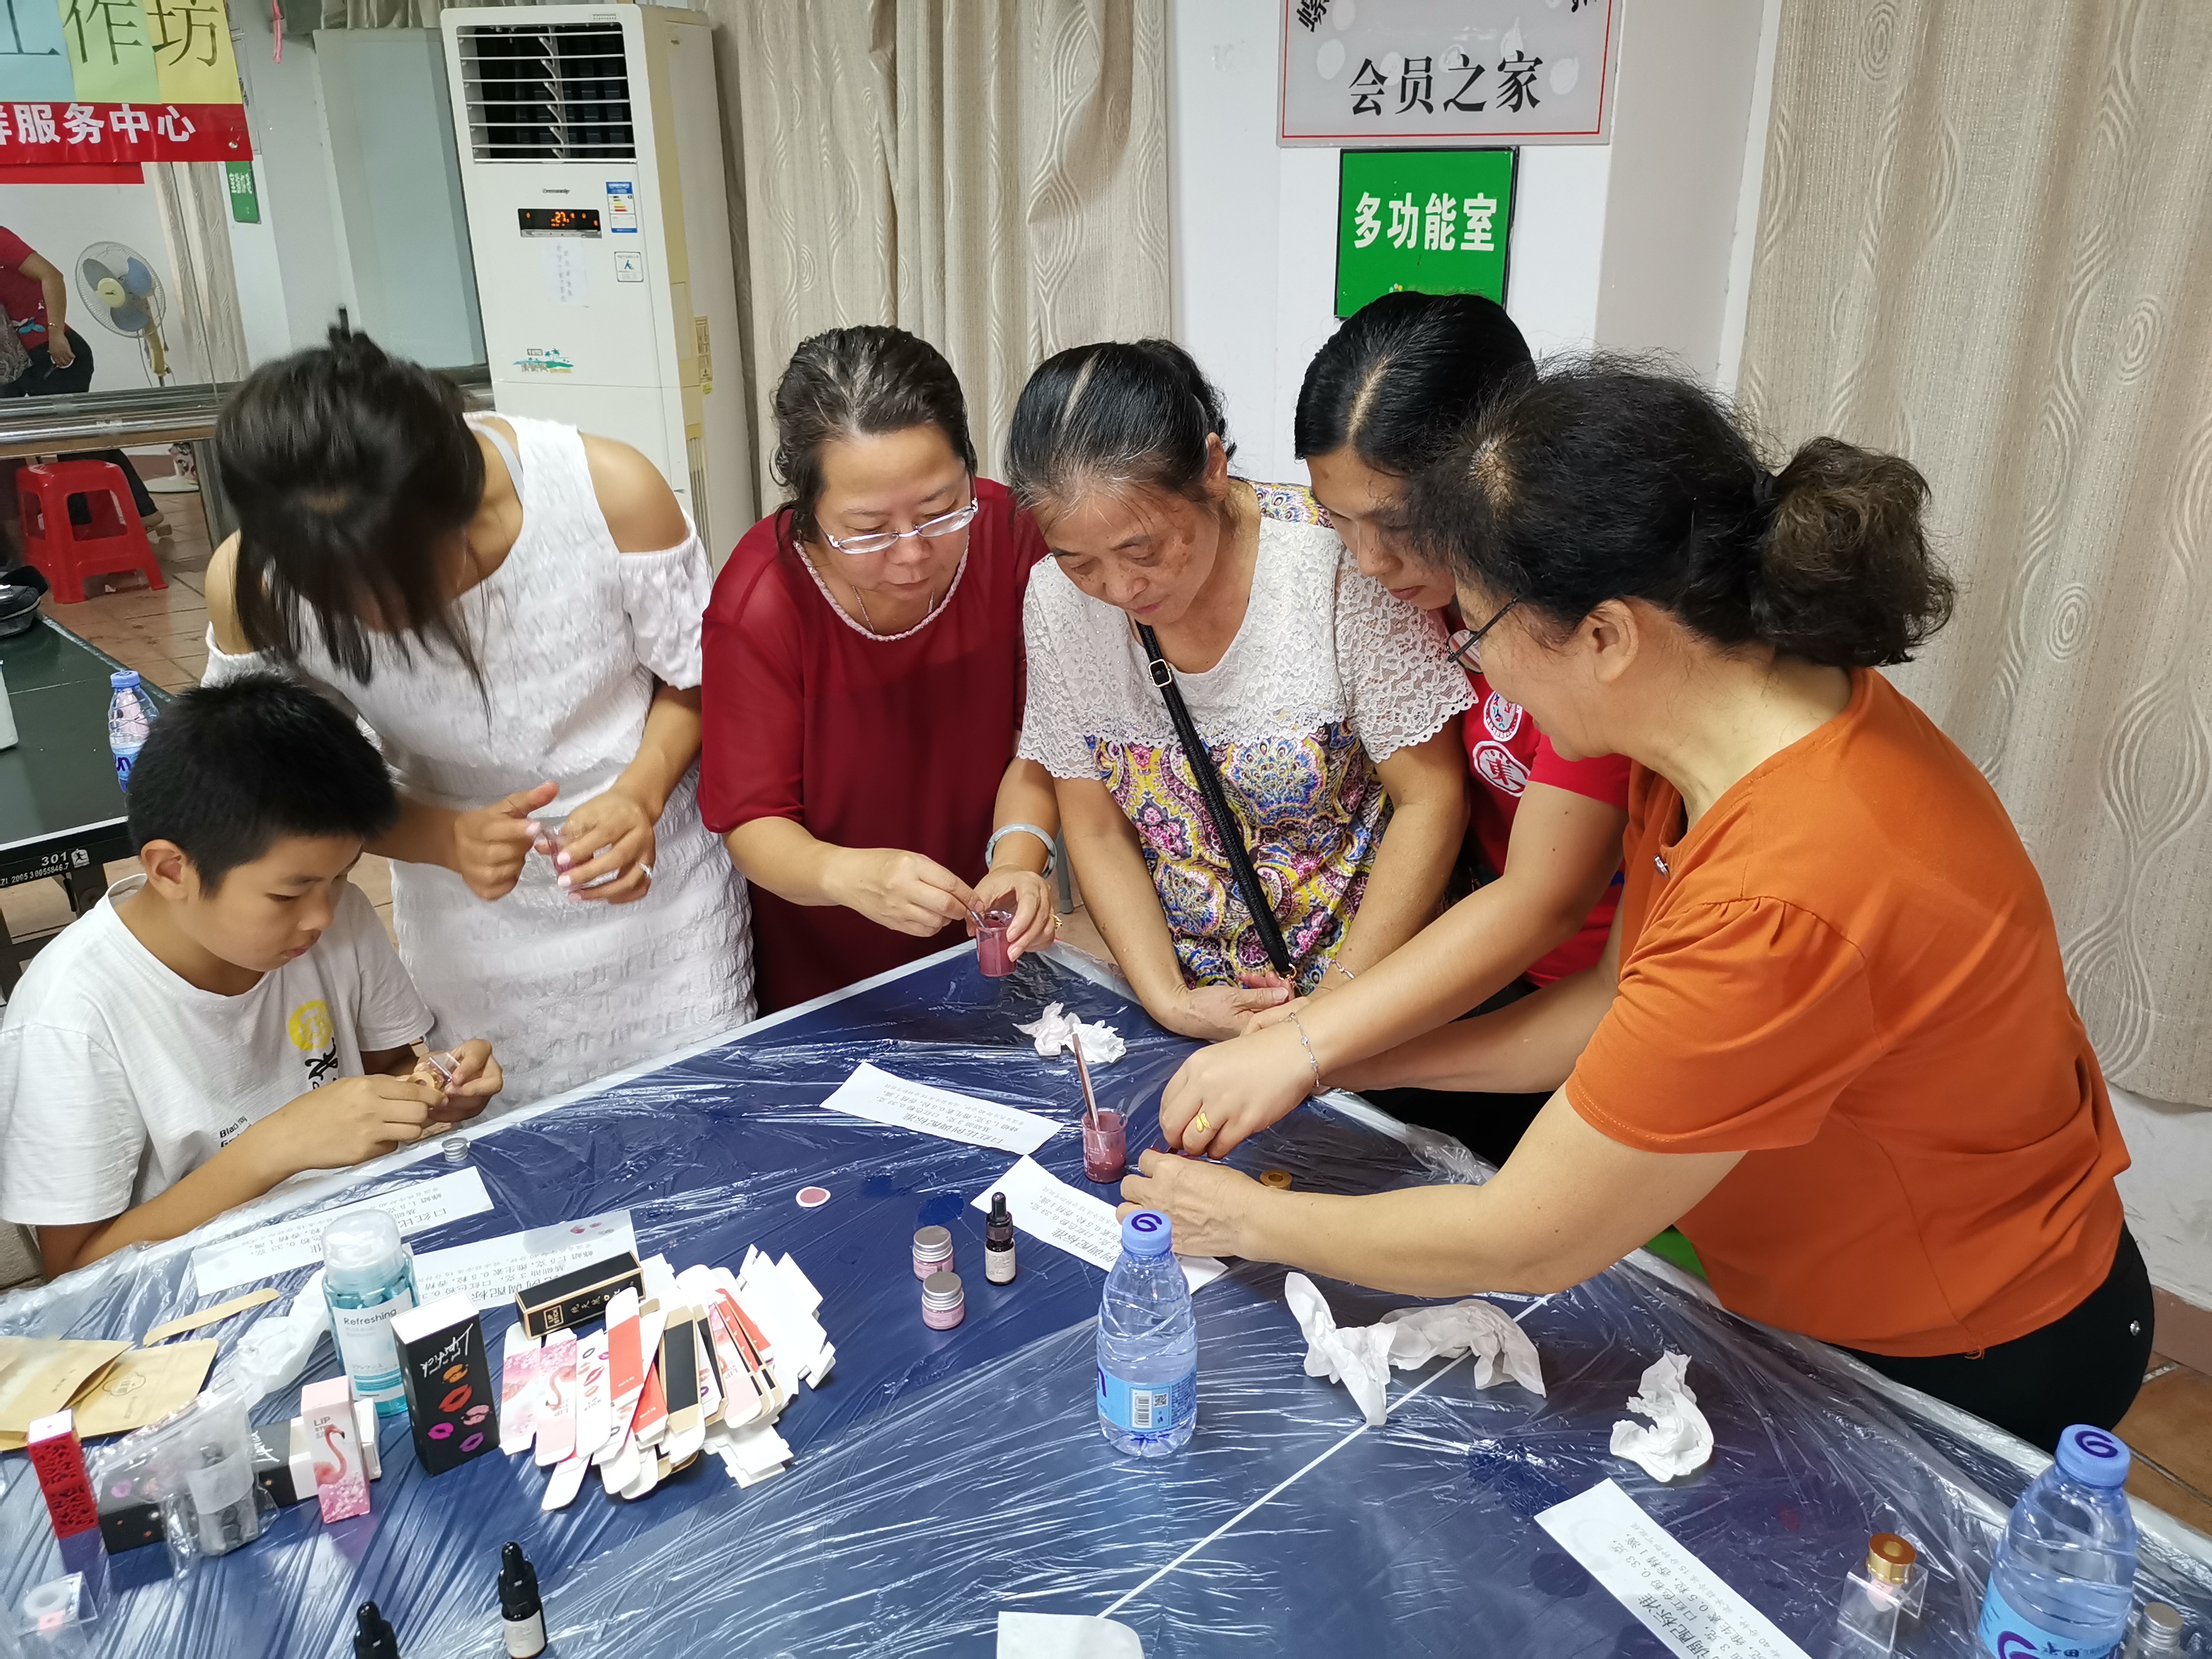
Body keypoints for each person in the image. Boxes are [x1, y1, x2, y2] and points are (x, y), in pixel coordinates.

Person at [1125, 360, 2147, 1452]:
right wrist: (1342, 1063)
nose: (1481, 668)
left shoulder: (1784, 891)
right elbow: (1613, 1002)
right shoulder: (1714, 729)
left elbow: (1529, 1238)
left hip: (1965, 1339)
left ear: (1606, 635)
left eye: (1477, 629)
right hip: (1826, 1282)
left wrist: (1244, 1218)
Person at [203, 329, 751, 1106]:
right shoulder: (252, 582)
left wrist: (641, 792)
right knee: (512, 1138)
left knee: (705, 1116)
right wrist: (438, 838)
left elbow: (697, 680)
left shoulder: (609, 494)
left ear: (455, 508)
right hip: (469, 926)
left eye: (397, 581)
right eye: (335, 594)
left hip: (661, 902)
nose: (375, 616)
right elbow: (282, 785)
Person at [1171, 293, 1630, 1165]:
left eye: (1401, 525)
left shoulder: (1573, 622)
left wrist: (1317, 1040)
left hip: (1585, 990)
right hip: (1476, 963)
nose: (1372, 562)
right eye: (1339, 520)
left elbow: (1544, 899)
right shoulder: (1417, 590)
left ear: (1497, 472)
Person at [1008, 340, 1471, 1041]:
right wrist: (1170, 1001)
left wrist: (1332, 1012)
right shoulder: (1055, 600)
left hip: (1370, 1000)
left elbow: (1430, 800)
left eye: (1143, 550)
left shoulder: (1333, 558)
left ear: (1213, 469)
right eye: (1079, 562)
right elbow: (1095, 824)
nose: (1120, 589)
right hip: (1192, 1007)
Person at [0, 677, 502, 1279]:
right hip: (197, 1294)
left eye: (343, 875)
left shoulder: (336, 918)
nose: (322, 916)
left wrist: (432, 1089)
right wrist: (272, 1148)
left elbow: (388, 1066)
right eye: (288, 894)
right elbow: (74, 1274)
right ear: (171, 870)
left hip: (360, 1246)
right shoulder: (68, 1021)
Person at [702, 326, 1060, 1011]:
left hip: (983, 930)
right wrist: (845, 875)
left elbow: (1040, 738)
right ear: (808, 508)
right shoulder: (761, 603)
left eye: (939, 510)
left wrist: (1017, 861)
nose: (912, 554)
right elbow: (752, 823)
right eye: (868, 530)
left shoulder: (1011, 536)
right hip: (825, 954)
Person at [0, 225, 158, 523]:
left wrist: (56, 332)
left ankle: (99, 520)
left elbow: (52, 276)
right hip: (26, 361)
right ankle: (137, 512)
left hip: (55, 351)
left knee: (74, 442)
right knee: (75, 439)